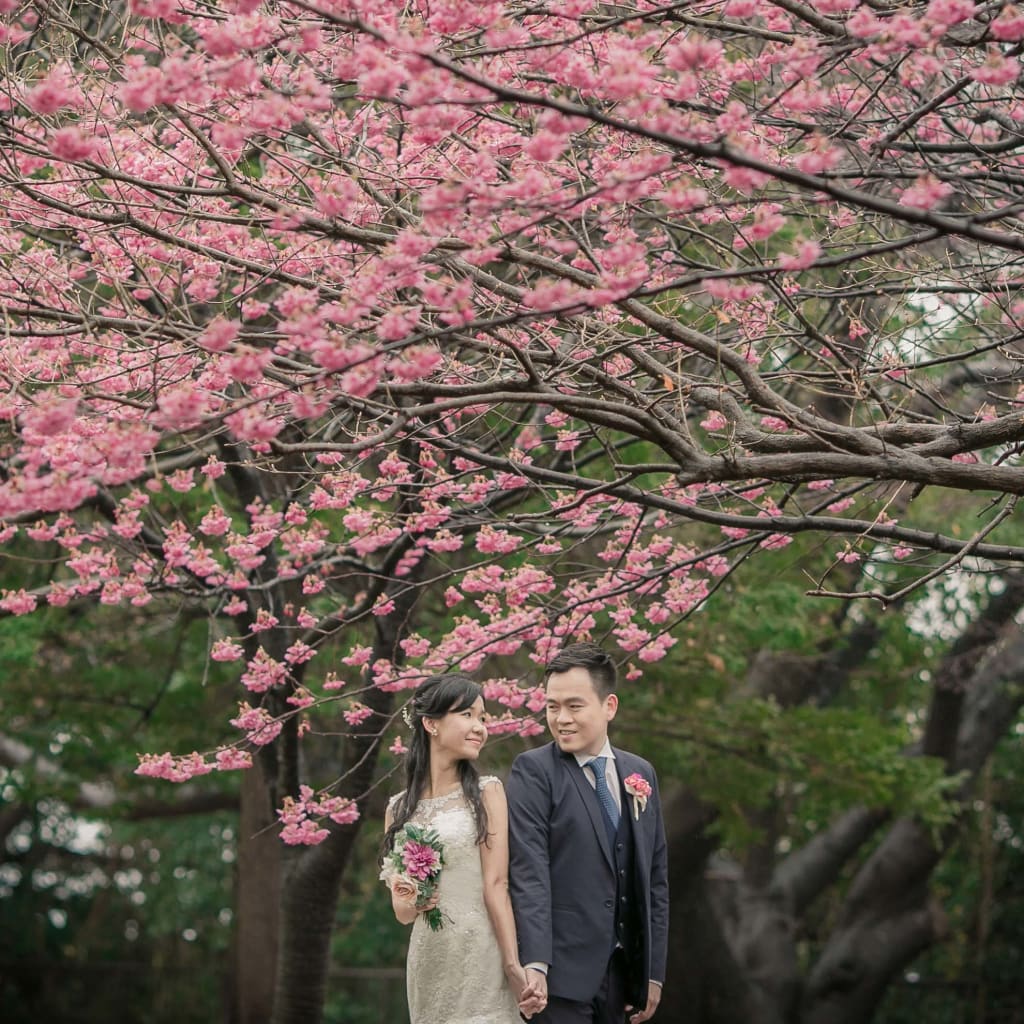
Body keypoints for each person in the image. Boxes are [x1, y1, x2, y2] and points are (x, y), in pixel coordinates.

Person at [507, 642, 669, 1024]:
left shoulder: (640, 773)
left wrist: (653, 972)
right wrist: (535, 964)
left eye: (574, 706)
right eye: (552, 706)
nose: (561, 718)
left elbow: (656, 880)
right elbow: (529, 872)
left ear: (609, 706)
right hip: (557, 979)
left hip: (624, 979)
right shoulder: (533, 771)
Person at [382, 672, 544, 1023]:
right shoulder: (398, 810)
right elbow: (403, 913)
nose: (480, 727)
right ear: (431, 724)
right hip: (430, 956)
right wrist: (412, 896)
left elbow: (497, 886)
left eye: (482, 717)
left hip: (481, 952)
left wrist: (512, 964)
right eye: (467, 715)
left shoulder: (488, 793)